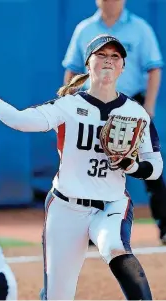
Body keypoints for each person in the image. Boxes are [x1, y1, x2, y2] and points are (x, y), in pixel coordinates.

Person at [0, 34, 163, 300]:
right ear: (87, 64)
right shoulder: (68, 106)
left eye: (115, 56)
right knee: (58, 294)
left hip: (111, 204)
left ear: (123, 67)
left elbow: (156, 166)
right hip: (65, 207)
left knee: (115, 246)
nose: (108, 60)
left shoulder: (135, 112)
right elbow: (21, 120)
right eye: (101, 55)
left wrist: (133, 166)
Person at [62, 0, 166, 244]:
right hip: (93, 105)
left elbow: (154, 68)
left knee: (150, 169)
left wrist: (148, 107)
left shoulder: (139, 28)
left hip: (130, 107)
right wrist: (68, 104)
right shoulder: (85, 29)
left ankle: (165, 226)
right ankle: (88, 228)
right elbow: (73, 69)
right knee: (90, 166)